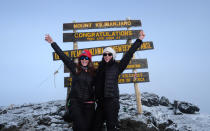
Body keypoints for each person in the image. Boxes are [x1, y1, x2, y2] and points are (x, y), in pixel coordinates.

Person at [93, 31, 145, 131]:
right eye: (105, 54)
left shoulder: (117, 67)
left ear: (113, 56)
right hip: (100, 103)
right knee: (95, 126)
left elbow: (129, 53)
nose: (107, 56)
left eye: (109, 54)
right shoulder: (98, 68)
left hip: (112, 102)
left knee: (111, 127)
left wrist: (139, 40)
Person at [45, 34, 95, 131]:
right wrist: (52, 43)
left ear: (89, 60)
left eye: (86, 58)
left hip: (89, 104)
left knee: (88, 127)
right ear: (80, 60)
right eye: (82, 58)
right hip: (75, 103)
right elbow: (63, 56)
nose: (84, 60)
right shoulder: (75, 69)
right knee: (81, 127)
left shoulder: (93, 72)